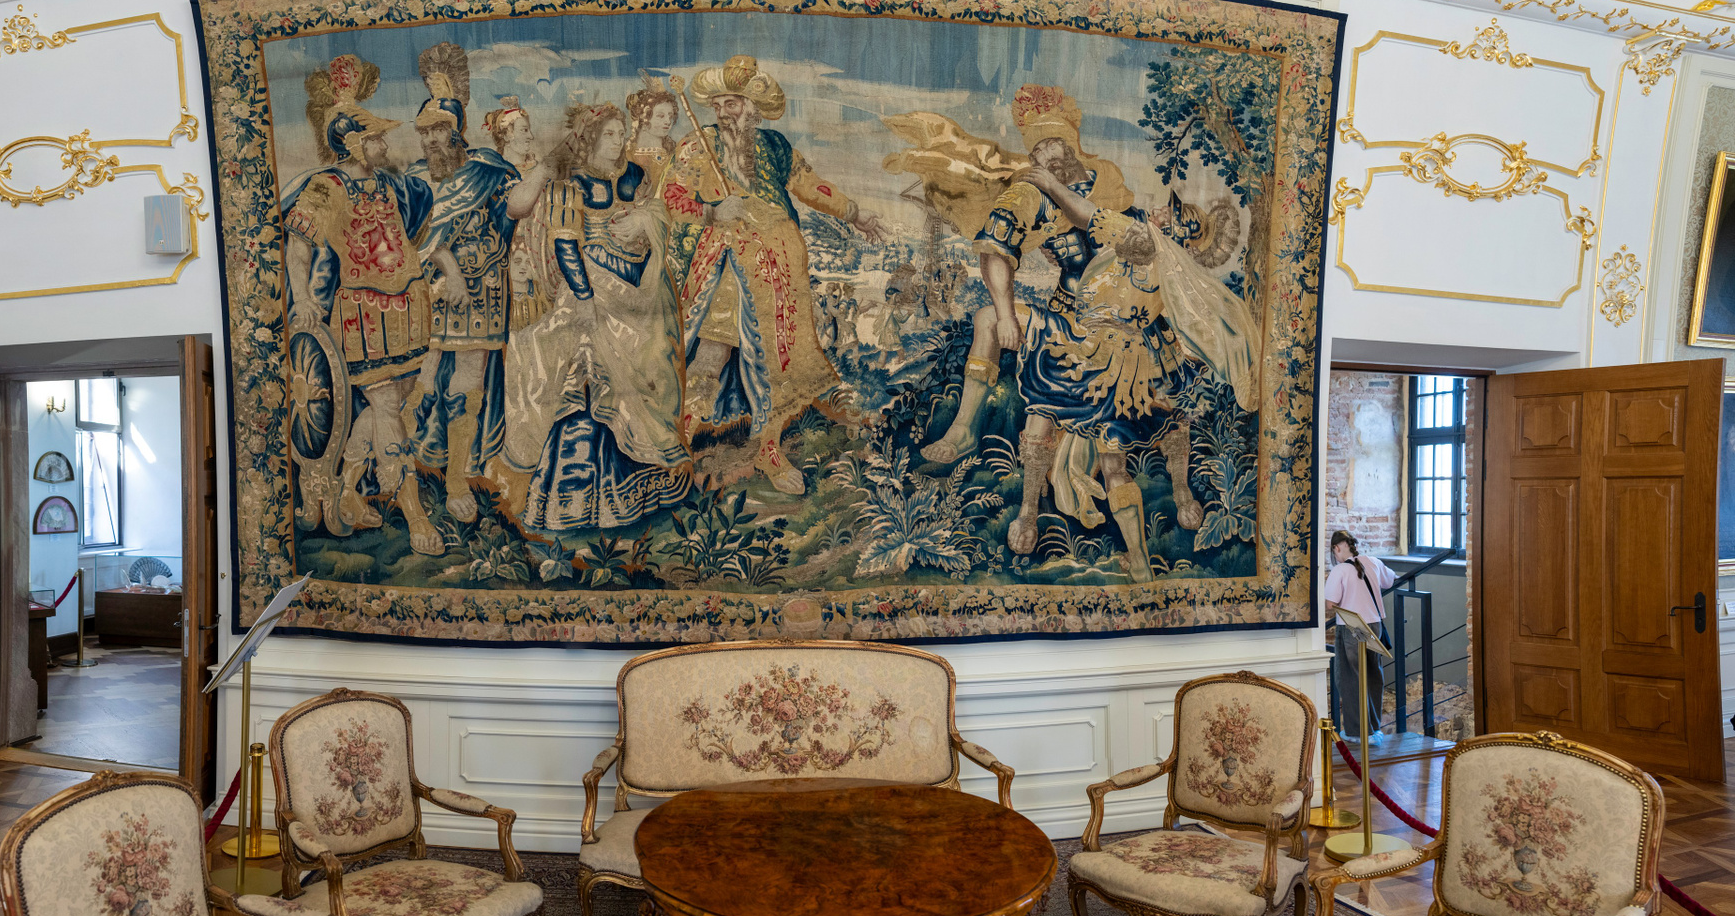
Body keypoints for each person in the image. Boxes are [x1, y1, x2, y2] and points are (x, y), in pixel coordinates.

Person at [920, 85, 1256, 577]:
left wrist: (1055, 190)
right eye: (1042, 152)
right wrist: (1009, 310)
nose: (1165, 210)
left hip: (1129, 341)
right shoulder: (1094, 210)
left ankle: (1175, 496)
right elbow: (1014, 240)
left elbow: (1089, 217)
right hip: (1075, 322)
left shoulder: (1142, 234)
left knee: (1155, 426)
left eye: (1175, 216)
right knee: (1013, 360)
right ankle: (1005, 480)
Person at [663, 54, 885, 495]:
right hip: (726, 265)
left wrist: (854, 213)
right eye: (718, 105)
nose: (723, 113)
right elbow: (670, 197)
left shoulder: (775, 147)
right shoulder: (696, 146)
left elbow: (811, 185)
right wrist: (712, 211)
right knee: (710, 355)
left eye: (732, 104)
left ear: (753, 108)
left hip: (781, 272)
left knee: (779, 364)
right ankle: (678, 445)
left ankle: (769, 449)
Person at [283, 54, 451, 555]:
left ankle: (347, 490)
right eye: (375, 137)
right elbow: (298, 247)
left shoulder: (388, 182)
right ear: (354, 143)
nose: (384, 144)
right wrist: (304, 299)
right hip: (364, 315)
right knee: (387, 409)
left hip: (408, 308)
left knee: (390, 407)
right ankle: (413, 510)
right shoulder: (326, 187)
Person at [501, 103, 692, 532]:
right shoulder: (571, 185)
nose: (618, 141)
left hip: (640, 293)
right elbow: (566, 244)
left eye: (621, 133)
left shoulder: (635, 176)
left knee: (652, 368)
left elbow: (659, 214)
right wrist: (584, 298)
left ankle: (644, 493)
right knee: (591, 383)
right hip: (591, 291)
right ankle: (577, 503)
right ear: (589, 139)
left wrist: (644, 218)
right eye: (609, 134)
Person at [411, 80, 554, 522]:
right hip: (429, 289)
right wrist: (450, 270)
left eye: (439, 129)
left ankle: (455, 479)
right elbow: (419, 235)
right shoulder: (419, 177)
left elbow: (516, 208)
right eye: (425, 131)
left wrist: (545, 170)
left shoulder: (487, 170)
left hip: (484, 293)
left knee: (468, 386)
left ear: (458, 130)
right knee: (419, 379)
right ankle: (402, 471)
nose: (431, 139)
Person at [1325, 529, 1396, 740]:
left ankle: (1357, 732)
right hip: (1375, 624)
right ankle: (1374, 728)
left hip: (1352, 626)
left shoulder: (1339, 570)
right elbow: (1390, 580)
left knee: (1350, 677)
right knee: (1373, 675)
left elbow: (1330, 604)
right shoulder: (1373, 561)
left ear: (1337, 548)